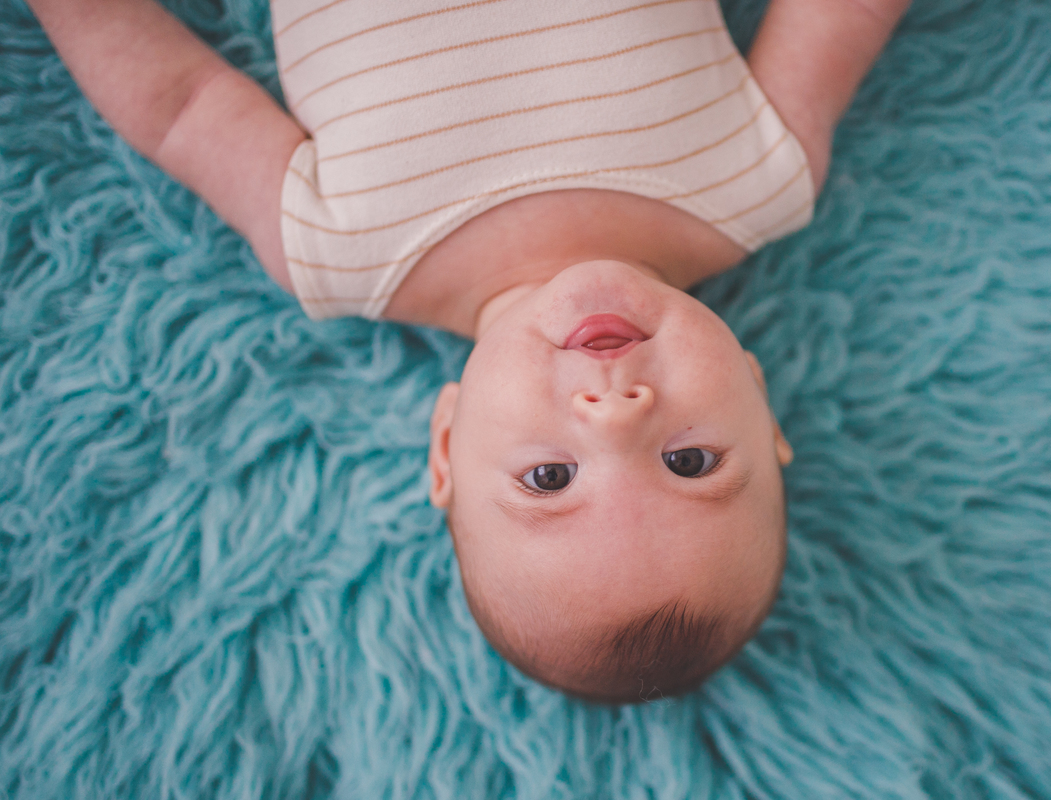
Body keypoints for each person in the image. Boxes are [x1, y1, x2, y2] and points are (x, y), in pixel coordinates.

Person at [27, 0, 909, 702]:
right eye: (689, 459)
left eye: (550, 480)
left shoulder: (337, 255)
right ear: (760, 404)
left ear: (446, 444)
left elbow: (181, 106)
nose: (615, 414)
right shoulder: (762, 176)